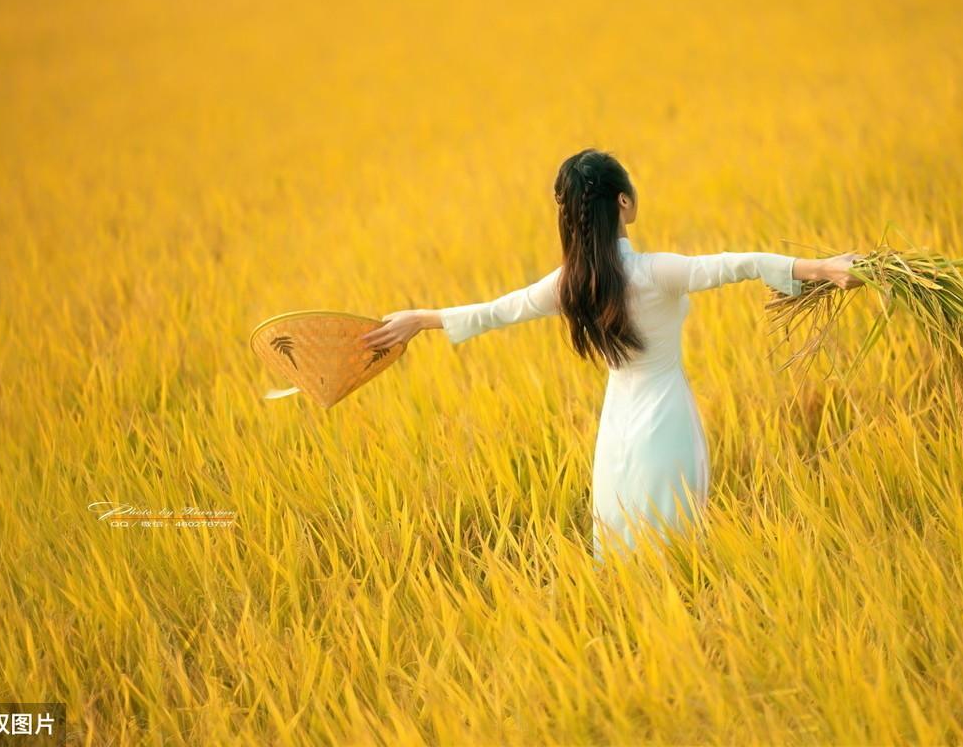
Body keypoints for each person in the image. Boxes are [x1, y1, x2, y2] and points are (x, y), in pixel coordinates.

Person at [360, 148, 864, 564]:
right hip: (666, 417)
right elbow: (741, 264)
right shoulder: (654, 271)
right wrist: (825, 267)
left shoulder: (570, 284)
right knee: (680, 546)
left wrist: (418, 320)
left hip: (616, 432)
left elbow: (495, 312)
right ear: (624, 202)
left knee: (624, 550)